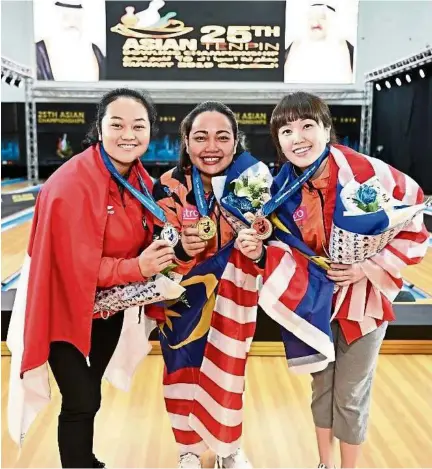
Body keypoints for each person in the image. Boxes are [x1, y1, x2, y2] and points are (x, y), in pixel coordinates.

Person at [7, 88, 175, 468]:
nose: (128, 133)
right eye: (117, 124)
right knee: (82, 399)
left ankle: (84, 460)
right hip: (63, 312)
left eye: (138, 125)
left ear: (150, 131)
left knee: (88, 397)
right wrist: (140, 268)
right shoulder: (71, 184)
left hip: (106, 309)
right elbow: (72, 268)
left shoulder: (139, 181)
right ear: (99, 128)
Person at [268, 91, 429, 468]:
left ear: (327, 130)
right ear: (278, 140)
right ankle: (324, 463)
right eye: (287, 130)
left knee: (351, 393)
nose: (298, 137)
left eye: (308, 125)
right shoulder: (280, 187)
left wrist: (365, 267)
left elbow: (415, 224)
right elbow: (281, 244)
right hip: (314, 302)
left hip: (364, 302)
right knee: (321, 388)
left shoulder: (370, 174)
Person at [152, 101, 265, 468]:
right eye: (200, 137)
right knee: (181, 374)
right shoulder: (169, 186)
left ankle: (227, 448)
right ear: (186, 140)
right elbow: (157, 250)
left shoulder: (252, 183)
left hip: (233, 297)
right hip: (181, 302)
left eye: (222, 137)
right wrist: (181, 249)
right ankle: (188, 450)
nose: (211, 146)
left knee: (228, 375)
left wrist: (259, 246)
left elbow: (270, 241)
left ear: (236, 141)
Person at [284, 1, 354, 84]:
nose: (315, 22)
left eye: (322, 17)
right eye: (311, 18)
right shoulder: (293, 48)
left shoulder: (348, 50)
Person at [36, 0, 105, 81]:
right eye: (65, 17)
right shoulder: (37, 51)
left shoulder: (95, 51)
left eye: (77, 18)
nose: (72, 22)